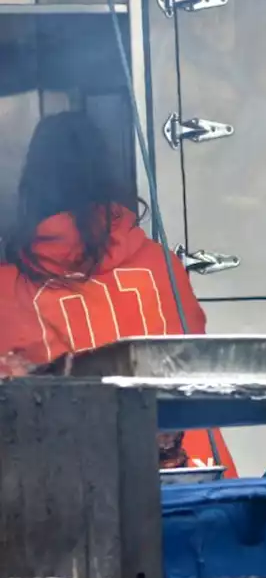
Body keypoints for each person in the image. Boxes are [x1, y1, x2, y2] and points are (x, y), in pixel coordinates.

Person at [0, 111, 237, 476]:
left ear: (30, 186)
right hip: (197, 480)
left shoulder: (8, 288)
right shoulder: (163, 265)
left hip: (83, 493)